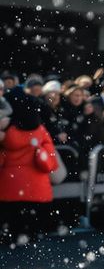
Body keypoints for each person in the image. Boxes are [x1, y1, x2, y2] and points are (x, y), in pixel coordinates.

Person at [0, 90, 58, 243]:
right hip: (37, 188)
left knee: (11, 230)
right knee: (32, 235)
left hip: (9, 187)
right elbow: (51, 161)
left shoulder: (5, 132)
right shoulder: (40, 131)